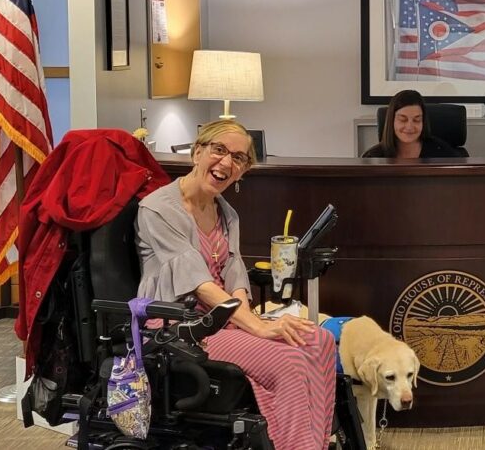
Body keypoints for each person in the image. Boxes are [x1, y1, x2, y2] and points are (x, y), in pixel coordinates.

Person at [136, 119, 336, 449]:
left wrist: (250, 319)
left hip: (223, 320)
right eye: (219, 150)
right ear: (197, 152)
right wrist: (257, 328)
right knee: (291, 361)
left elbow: (235, 278)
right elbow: (199, 283)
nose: (227, 163)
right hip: (180, 328)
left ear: (243, 172)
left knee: (321, 340)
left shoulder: (227, 213)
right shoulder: (158, 209)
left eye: (239, 158)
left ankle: (311, 443)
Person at [362, 89, 463, 158]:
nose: (409, 126)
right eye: (403, 119)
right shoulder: (373, 157)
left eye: (416, 120)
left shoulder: (443, 153)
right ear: (391, 121)